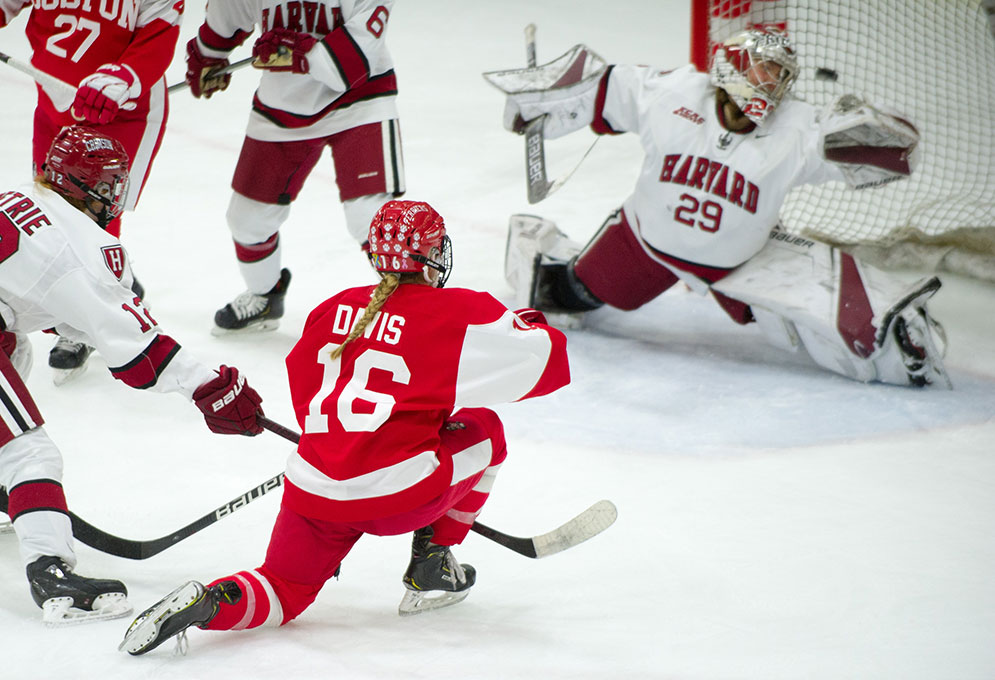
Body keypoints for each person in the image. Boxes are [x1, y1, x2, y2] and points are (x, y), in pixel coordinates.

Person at [118, 199, 571, 656]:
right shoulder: (455, 313)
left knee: (283, 588)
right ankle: (433, 561)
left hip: (313, 489)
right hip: (400, 497)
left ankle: (211, 603)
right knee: (486, 429)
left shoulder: (332, 308)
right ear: (432, 254)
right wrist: (525, 321)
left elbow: (308, 400)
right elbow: (548, 361)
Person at [494, 28, 950, 388]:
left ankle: (893, 343)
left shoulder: (798, 129)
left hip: (741, 264)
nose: (771, 85)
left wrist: (871, 131)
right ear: (731, 71)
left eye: (779, 76)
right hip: (644, 245)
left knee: (800, 324)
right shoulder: (671, 94)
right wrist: (546, 101)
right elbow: (603, 86)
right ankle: (544, 258)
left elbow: (898, 150)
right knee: (565, 294)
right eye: (764, 71)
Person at [0, 126, 266, 625]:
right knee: (29, 452)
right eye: (111, 185)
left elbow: (53, 304)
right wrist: (211, 387)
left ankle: (15, 493)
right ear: (89, 187)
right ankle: (50, 570)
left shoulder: (22, 197)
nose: (116, 196)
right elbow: (140, 354)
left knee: (14, 352)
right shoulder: (76, 250)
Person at [183, 0, 405, 335]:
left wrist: (299, 51)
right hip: (281, 105)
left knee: (372, 219)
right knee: (247, 220)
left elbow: (351, 62)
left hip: (360, 100)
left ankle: (416, 308)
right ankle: (265, 296)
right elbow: (229, 12)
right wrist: (209, 53)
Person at [0, 0, 184, 379]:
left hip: (122, 109)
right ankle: (97, 284)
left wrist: (124, 76)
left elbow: (160, 31)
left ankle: (89, 315)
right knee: (49, 205)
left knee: (93, 217)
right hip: (56, 101)